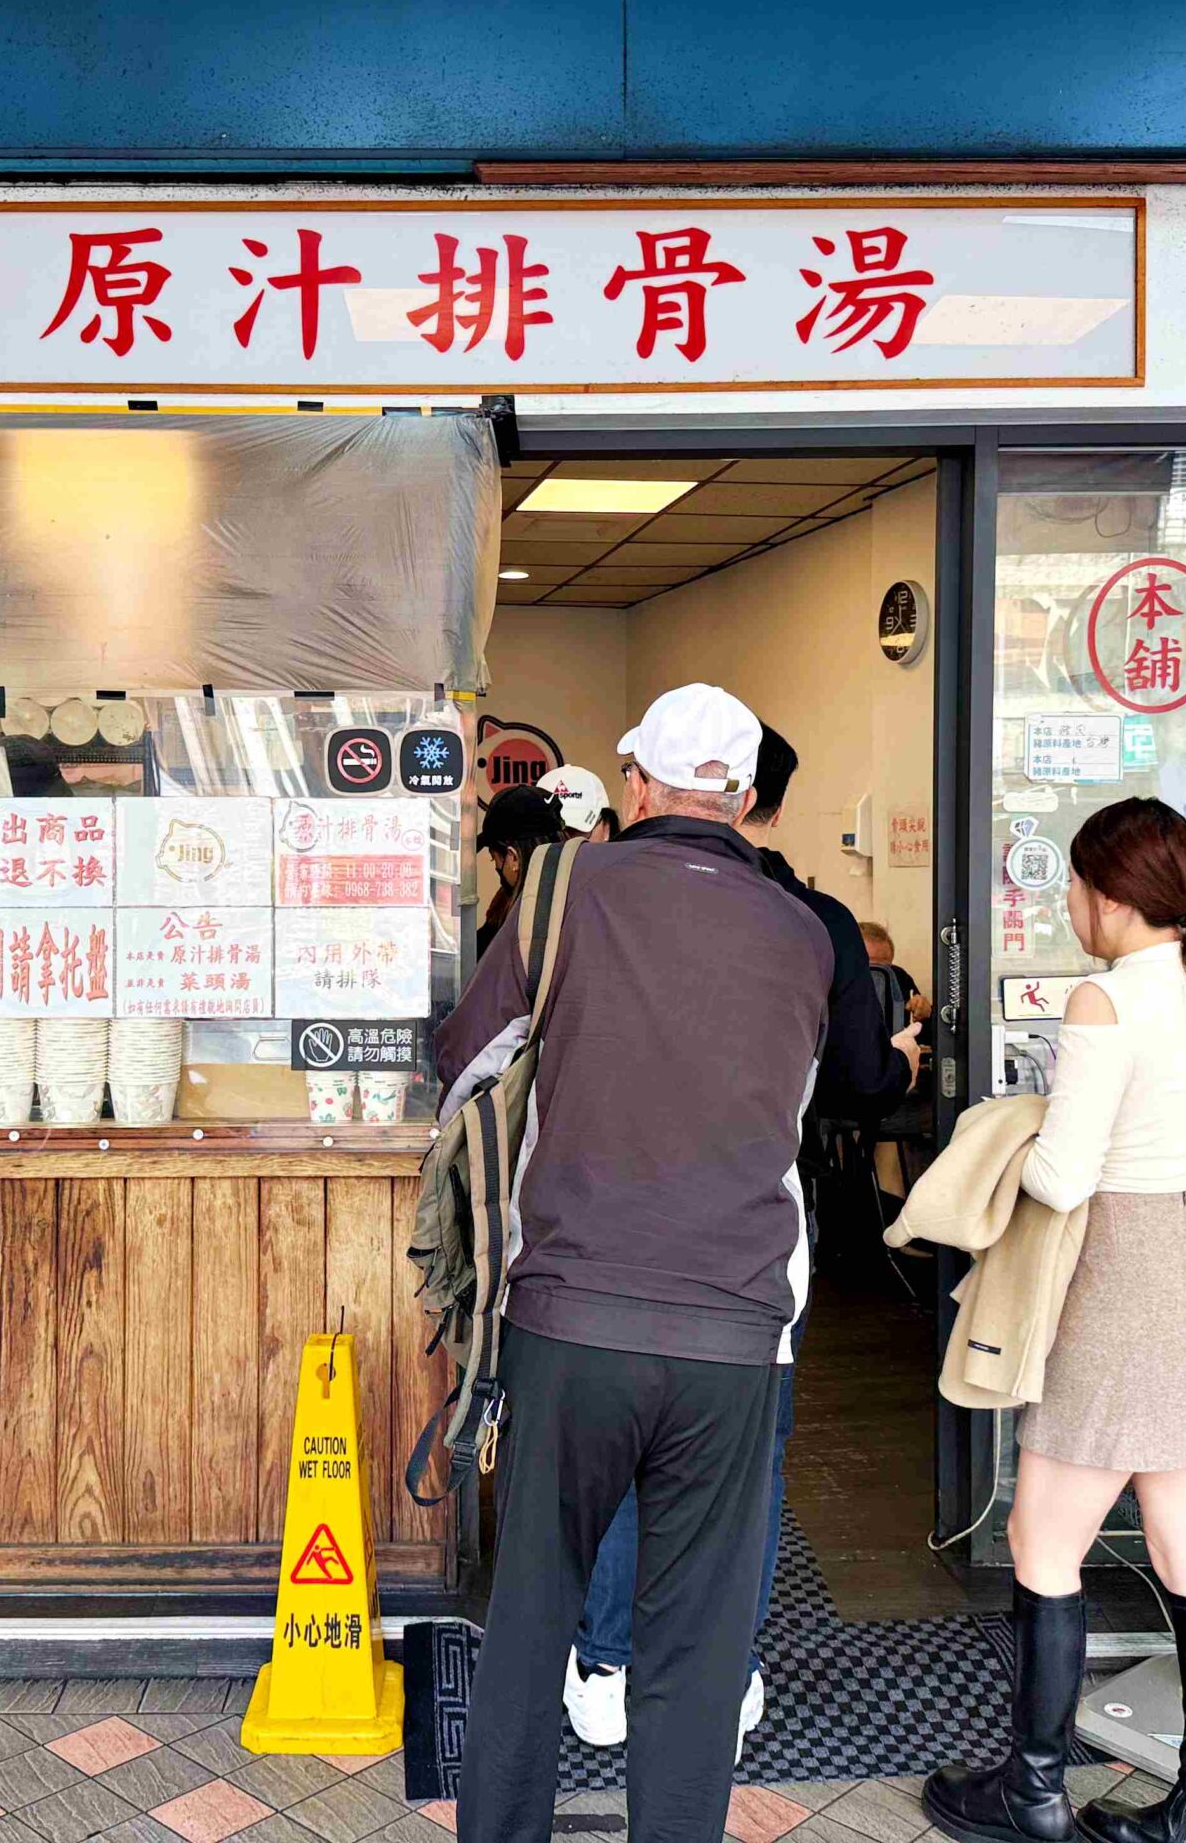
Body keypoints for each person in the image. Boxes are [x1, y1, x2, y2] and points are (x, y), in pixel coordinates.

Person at [437, 684, 834, 1843]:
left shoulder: (563, 888)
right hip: (736, 1330)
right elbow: (826, 1085)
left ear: (642, 786)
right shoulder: (805, 932)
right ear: (747, 798)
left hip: (572, 1315)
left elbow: (466, 1059)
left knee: (531, 1620)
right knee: (696, 1645)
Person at [564, 726, 925, 1749]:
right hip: (752, 1246)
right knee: (739, 1465)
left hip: (604, 1236)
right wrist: (898, 1055)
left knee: (620, 1459)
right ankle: (718, 1677)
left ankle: (604, 1666)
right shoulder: (812, 922)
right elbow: (861, 1080)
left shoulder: (592, 901)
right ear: (760, 792)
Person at [923, 796, 1186, 1843]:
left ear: (1108, 897)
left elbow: (1065, 1179)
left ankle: (1031, 1793)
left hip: (1121, 1282)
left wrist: (1007, 1130)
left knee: (1042, 1537)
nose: (1067, 903)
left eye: (1072, 884)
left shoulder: (1104, 1001)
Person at [475, 782, 568, 956]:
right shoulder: (583, 899)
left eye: (493, 857)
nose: (496, 866)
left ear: (513, 858)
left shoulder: (514, 923)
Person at [860, 920, 931, 1029]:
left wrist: (925, 1013)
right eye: (870, 967)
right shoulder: (831, 981)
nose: (877, 978)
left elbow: (920, 1031)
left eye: (884, 968)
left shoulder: (898, 977)